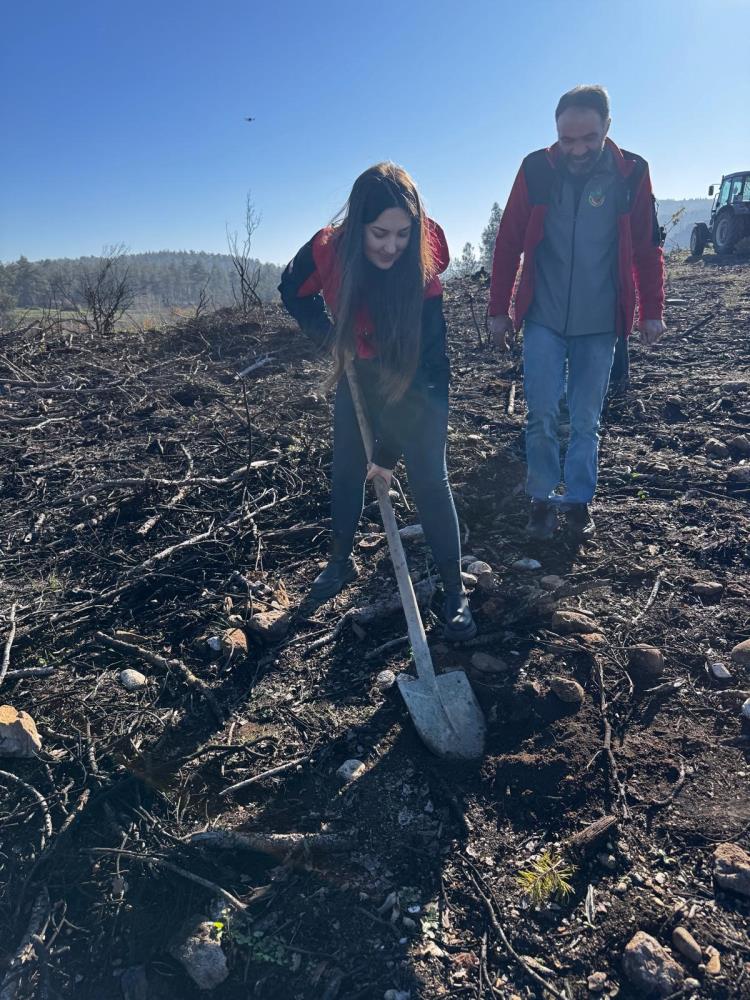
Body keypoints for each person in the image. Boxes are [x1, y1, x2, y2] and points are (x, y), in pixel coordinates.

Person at [278, 162, 476, 640]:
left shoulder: (422, 268)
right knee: (346, 466)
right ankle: (339, 562)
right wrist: (332, 339)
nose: (392, 246)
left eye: (402, 234)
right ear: (358, 225)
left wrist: (386, 454)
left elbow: (428, 371)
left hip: (419, 382)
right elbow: (291, 291)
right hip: (360, 369)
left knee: (430, 477)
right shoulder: (328, 249)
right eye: (380, 233)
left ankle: (454, 591)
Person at [488, 85, 665, 540]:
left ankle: (580, 500)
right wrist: (498, 310)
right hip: (543, 316)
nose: (577, 149)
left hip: (600, 320)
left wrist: (651, 311)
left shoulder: (631, 173)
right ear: (556, 133)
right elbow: (507, 242)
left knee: (587, 418)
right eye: (567, 140)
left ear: (607, 127)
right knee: (541, 412)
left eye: (588, 138)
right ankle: (542, 498)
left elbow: (647, 247)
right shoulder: (536, 169)